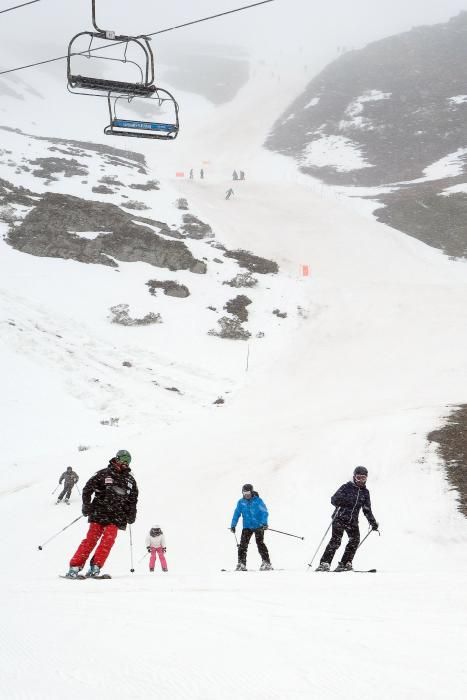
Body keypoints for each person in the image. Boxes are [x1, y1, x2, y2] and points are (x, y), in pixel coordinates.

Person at [64, 449, 138, 578]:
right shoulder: (104, 474)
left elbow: (133, 499)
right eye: (123, 459)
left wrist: (131, 513)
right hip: (99, 512)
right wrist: (86, 505)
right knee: (91, 540)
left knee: (107, 542)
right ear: (117, 458)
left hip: (117, 516)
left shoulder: (130, 481)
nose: (125, 463)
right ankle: (75, 567)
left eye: (128, 461)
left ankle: (95, 567)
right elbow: (87, 489)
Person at [316, 466, 379, 572]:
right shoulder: (346, 487)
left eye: (363, 478)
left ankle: (345, 563)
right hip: (339, 518)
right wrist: (342, 501)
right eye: (358, 478)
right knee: (336, 541)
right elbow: (333, 499)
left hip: (352, 521)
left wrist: (373, 522)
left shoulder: (365, 492)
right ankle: (324, 563)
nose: (360, 481)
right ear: (354, 477)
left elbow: (367, 509)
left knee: (355, 540)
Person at [230, 483, 272, 571]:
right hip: (247, 527)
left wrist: (264, 523)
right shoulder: (241, 502)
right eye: (244, 493)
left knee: (260, 543)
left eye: (248, 492)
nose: (246, 495)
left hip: (258, 526)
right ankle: (241, 563)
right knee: (242, 545)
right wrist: (233, 525)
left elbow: (264, 512)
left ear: (251, 492)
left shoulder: (258, 501)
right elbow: (236, 514)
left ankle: (266, 563)